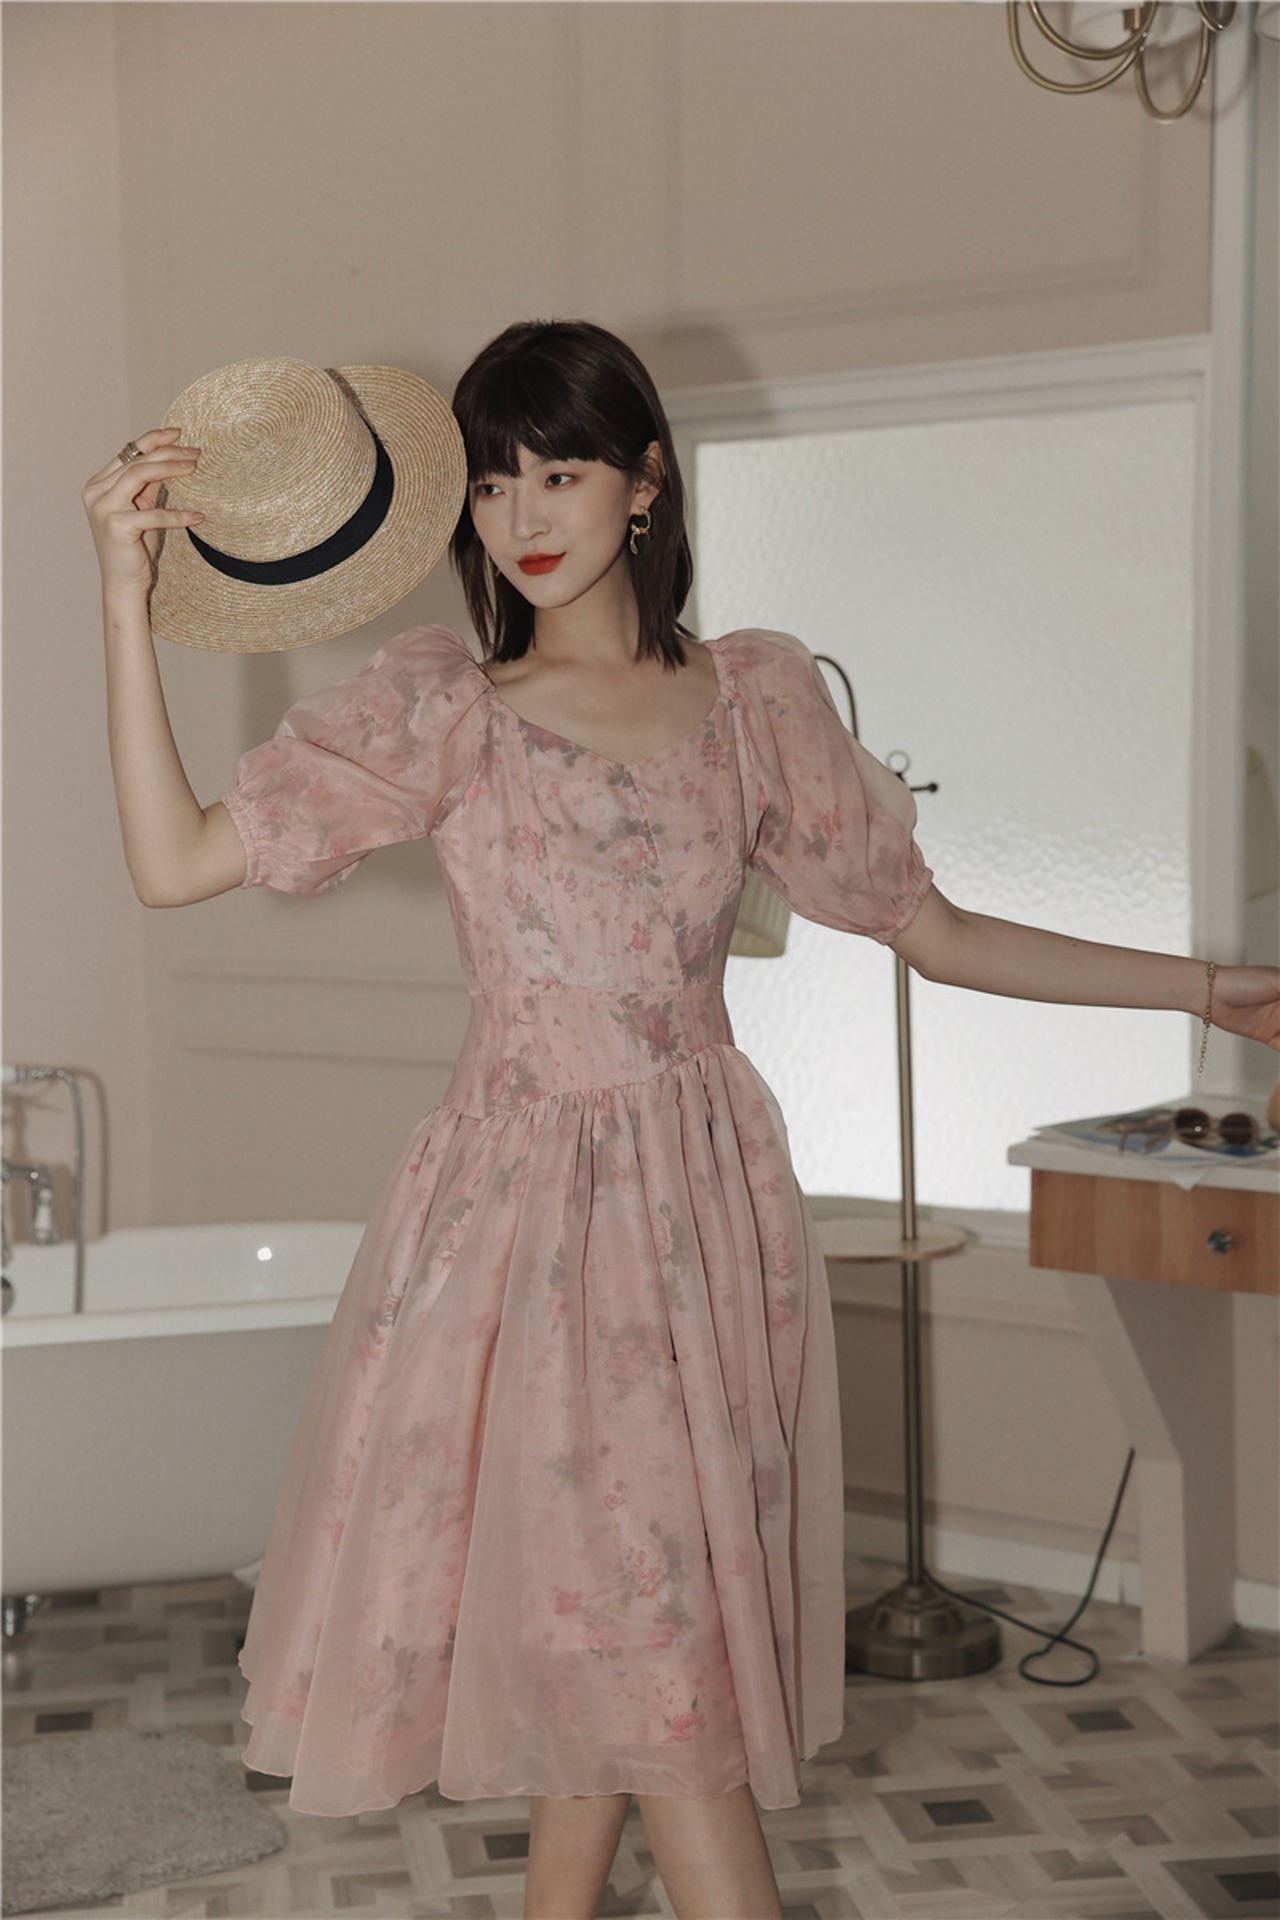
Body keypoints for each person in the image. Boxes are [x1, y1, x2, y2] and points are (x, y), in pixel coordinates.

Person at [83, 319, 1279, 1920]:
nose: (523, 513)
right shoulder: (452, 709)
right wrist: (123, 599)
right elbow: (174, 863)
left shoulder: (755, 702)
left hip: (706, 1223)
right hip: (517, 1238)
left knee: (622, 1661)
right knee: (660, 1678)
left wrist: (1204, 989)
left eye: (560, 470)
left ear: (645, 481)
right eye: (493, 482)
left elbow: (934, 930)